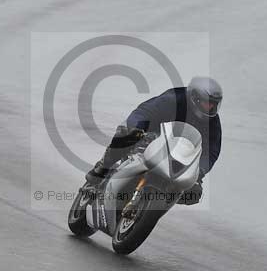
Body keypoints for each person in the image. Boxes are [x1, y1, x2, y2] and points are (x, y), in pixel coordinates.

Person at [85, 76, 222, 205]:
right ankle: (103, 167)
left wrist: (200, 172)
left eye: (213, 105)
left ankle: (160, 201)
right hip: (150, 137)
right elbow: (144, 112)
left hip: (178, 154)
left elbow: (211, 152)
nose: (209, 108)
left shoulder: (213, 122)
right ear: (194, 97)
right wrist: (138, 130)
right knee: (126, 136)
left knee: (193, 193)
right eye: (206, 103)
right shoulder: (173, 99)